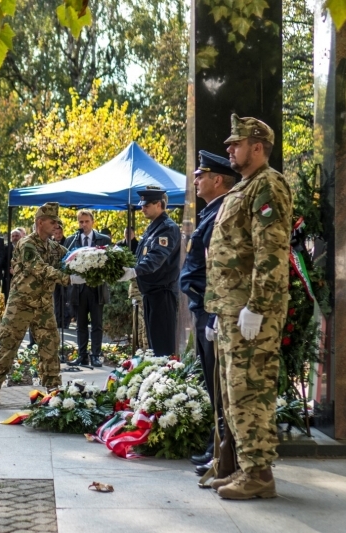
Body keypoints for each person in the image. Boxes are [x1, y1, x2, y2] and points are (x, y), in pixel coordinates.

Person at [206, 115, 292, 500]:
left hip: (252, 312)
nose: (229, 150)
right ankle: (246, 467)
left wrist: (256, 307)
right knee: (233, 393)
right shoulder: (245, 187)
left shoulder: (268, 186)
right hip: (232, 311)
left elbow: (270, 252)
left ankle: (259, 474)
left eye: (235, 144)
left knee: (249, 392)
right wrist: (220, 309)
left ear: (257, 147)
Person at [0, 202, 82, 407]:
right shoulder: (26, 244)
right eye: (52, 221)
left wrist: (94, 262)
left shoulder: (54, 247)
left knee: (50, 346)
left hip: (43, 305)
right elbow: (40, 268)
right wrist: (68, 279)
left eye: (57, 221)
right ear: (40, 222)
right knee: (8, 346)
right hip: (21, 305)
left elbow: (74, 258)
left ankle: (53, 390)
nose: (56, 225)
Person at [179, 150, 239, 474]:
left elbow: (222, 269)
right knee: (212, 383)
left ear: (218, 179)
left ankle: (224, 453)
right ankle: (217, 448)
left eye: (201, 175)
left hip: (213, 309)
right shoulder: (210, 212)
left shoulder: (222, 213)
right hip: (203, 308)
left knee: (220, 385)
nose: (196, 179)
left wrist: (214, 312)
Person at [121, 187, 181, 357]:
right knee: (155, 345)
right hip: (151, 293)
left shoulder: (167, 228)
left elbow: (156, 257)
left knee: (163, 347)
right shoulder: (154, 228)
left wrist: (135, 271)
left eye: (147, 205)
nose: (142, 208)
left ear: (159, 204)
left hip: (162, 293)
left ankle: (166, 380)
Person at [65, 210, 112, 367]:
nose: (83, 225)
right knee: (80, 325)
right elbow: (66, 263)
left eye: (86, 221)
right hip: (78, 290)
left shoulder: (103, 239)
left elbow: (110, 263)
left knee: (97, 324)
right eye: (80, 222)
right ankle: (82, 355)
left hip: (97, 288)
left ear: (93, 222)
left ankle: (96, 355)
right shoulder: (72, 240)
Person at [52, 223, 73, 330]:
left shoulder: (68, 242)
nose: (58, 235)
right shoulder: (50, 243)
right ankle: (58, 320)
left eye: (60, 233)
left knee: (66, 298)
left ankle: (65, 321)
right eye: (56, 233)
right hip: (54, 275)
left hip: (65, 274)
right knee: (56, 299)